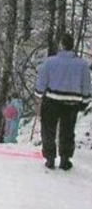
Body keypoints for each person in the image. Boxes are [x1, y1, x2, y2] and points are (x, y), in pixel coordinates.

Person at [35, 33, 91, 170]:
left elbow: (41, 82)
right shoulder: (82, 65)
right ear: (72, 46)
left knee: (48, 129)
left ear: (61, 45)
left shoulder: (50, 62)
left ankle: (50, 157)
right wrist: (85, 100)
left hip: (52, 100)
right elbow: (86, 84)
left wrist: (39, 94)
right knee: (68, 130)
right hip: (72, 102)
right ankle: (65, 158)